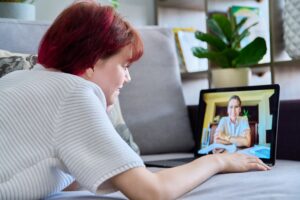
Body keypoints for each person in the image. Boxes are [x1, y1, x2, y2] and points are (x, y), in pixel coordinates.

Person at [0, 1, 270, 199]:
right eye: (124, 65)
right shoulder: (74, 94)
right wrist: (218, 161)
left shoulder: (15, 81)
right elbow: (152, 192)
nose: (127, 78)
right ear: (92, 62)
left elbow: (48, 169)